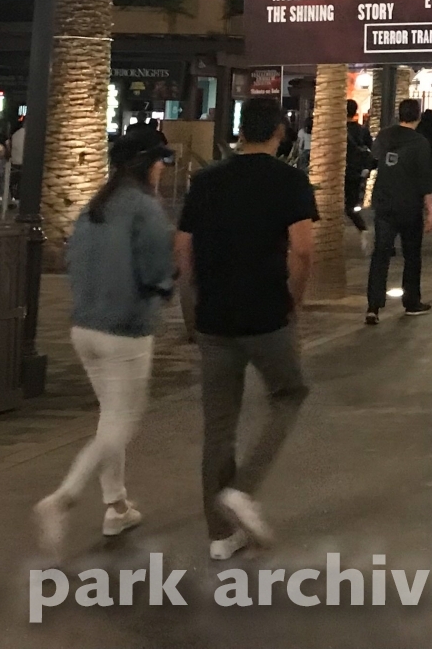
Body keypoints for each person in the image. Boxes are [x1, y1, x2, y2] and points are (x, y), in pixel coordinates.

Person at [174, 97, 316, 561]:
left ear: (239, 132)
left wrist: (193, 303)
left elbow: (183, 245)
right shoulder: (289, 180)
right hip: (265, 312)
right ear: (279, 132)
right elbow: (303, 249)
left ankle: (219, 537)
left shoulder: (208, 180)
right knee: (289, 393)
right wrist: (294, 299)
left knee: (218, 426)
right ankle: (243, 489)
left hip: (214, 315)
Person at [33, 131, 176, 560]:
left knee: (109, 419)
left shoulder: (95, 206)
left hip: (85, 327)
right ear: (148, 163)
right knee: (121, 423)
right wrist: (169, 286)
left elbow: (72, 261)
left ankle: (116, 506)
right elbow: (157, 269)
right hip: (125, 329)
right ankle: (63, 498)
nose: (164, 168)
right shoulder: (145, 209)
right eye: (161, 161)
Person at [365, 98, 432, 324]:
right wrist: (431, 212)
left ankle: (373, 306)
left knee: (381, 254)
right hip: (409, 205)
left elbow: (374, 159)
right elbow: (426, 179)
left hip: (384, 203)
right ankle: (411, 301)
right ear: (418, 116)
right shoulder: (420, 142)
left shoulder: (385, 135)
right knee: (412, 255)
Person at [344, 98, 374, 232]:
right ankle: (363, 229)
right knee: (351, 204)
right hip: (356, 171)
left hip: (339, 170)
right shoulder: (362, 130)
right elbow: (372, 149)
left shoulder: (336, 132)